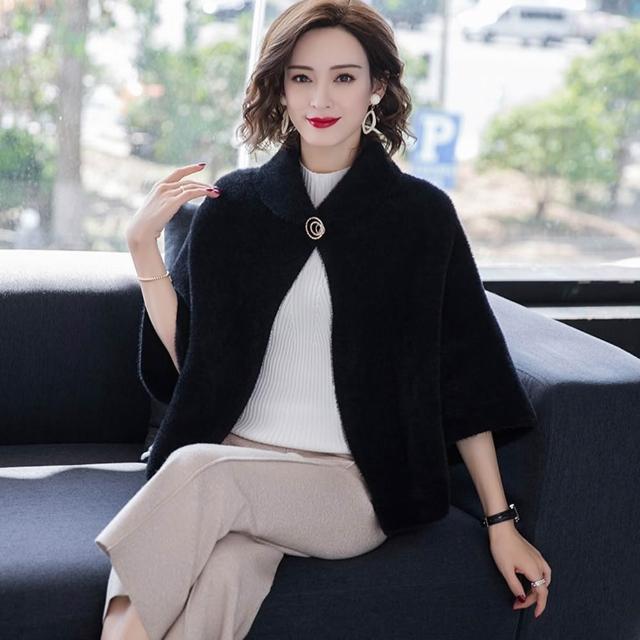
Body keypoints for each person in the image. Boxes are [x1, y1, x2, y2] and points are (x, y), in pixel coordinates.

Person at [96, 1, 551, 638]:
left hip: (347, 484)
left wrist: (501, 525)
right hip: (235, 460)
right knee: (225, 571)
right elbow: (196, 366)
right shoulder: (235, 208)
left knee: (195, 471)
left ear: (377, 87)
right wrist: (143, 248)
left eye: (344, 77)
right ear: (280, 88)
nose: (320, 98)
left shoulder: (419, 217)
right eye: (302, 77)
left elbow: (464, 375)